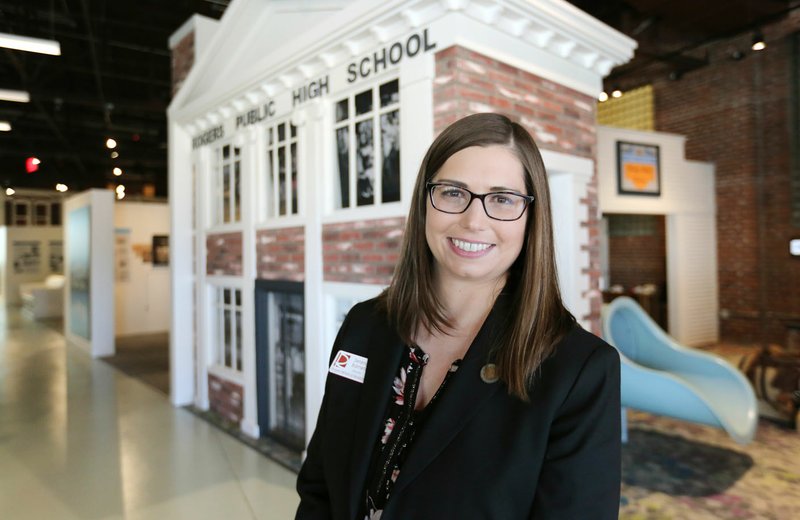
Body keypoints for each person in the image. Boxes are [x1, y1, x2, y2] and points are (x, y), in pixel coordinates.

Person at [296, 113, 621, 519]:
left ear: (531, 217)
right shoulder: (364, 326)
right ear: (425, 203)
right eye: (452, 192)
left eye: (503, 199)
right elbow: (319, 487)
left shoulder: (579, 371)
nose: (473, 220)